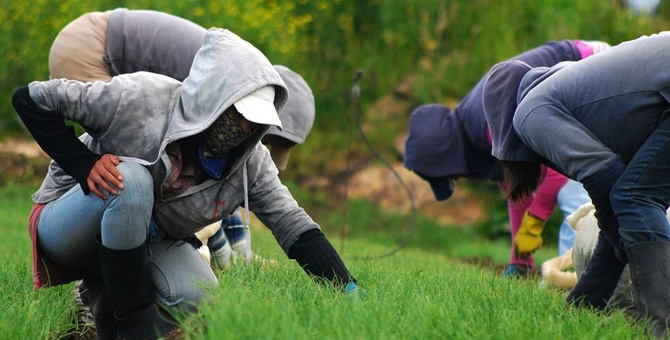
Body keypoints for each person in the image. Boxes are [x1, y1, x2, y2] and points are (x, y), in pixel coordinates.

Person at [14, 28, 358, 340]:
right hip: (70, 220)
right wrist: (84, 164)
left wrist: (349, 289)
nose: (243, 129)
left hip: (143, 240)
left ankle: (107, 319)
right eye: (238, 114)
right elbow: (30, 99)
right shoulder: (140, 98)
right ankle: (135, 327)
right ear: (212, 97)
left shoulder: (250, 162)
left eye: (255, 122)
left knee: (198, 293)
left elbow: (292, 224)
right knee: (131, 182)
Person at [48, 8, 316, 267]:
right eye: (265, 138)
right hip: (91, 48)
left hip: (93, 40)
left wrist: (238, 250)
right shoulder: (216, 76)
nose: (253, 139)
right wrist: (82, 163)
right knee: (116, 178)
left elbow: (223, 183)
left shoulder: (237, 79)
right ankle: (92, 281)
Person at [482, 32, 670, 337]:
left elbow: (607, 185)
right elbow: (616, 209)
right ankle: (594, 309)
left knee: (635, 199)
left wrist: (626, 242)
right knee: (633, 198)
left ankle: (659, 331)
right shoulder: (578, 93)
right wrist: (581, 307)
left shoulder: (530, 111)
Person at [403, 39, 608, 277]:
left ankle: (584, 280)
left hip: (590, 64)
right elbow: (516, 189)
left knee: (573, 193)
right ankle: (585, 276)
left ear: (449, 155)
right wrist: (520, 261)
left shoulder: (486, 126)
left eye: (451, 173)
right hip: (569, 92)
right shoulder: (474, 136)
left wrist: (535, 221)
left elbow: (555, 170)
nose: (459, 177)